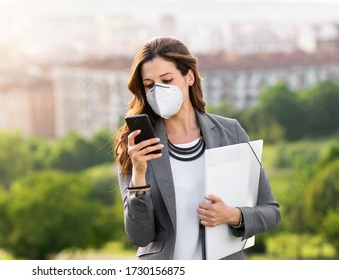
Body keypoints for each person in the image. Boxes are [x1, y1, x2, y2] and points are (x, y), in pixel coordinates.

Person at [113, 37, 281, 260]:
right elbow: (140, 237)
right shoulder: (136, 145)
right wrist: (139, 175)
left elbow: (271, 211)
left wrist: (233, 215)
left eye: (167, 80)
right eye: (149, 85)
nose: (158, 90)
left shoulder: (230, 132)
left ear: (189, 77)